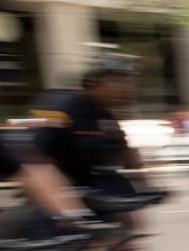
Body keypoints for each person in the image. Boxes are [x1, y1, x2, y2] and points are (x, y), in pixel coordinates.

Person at [29, 52, 147, 205]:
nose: (125, 90)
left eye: (128, 84)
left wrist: (146, 185)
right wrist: (67, 196)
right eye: (118, 84)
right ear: (92, 85)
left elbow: (124, 151)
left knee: (126, 210)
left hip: (87, 180)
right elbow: (39, 159)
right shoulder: (63, 110)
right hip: (54, 185)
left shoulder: (104, 114)